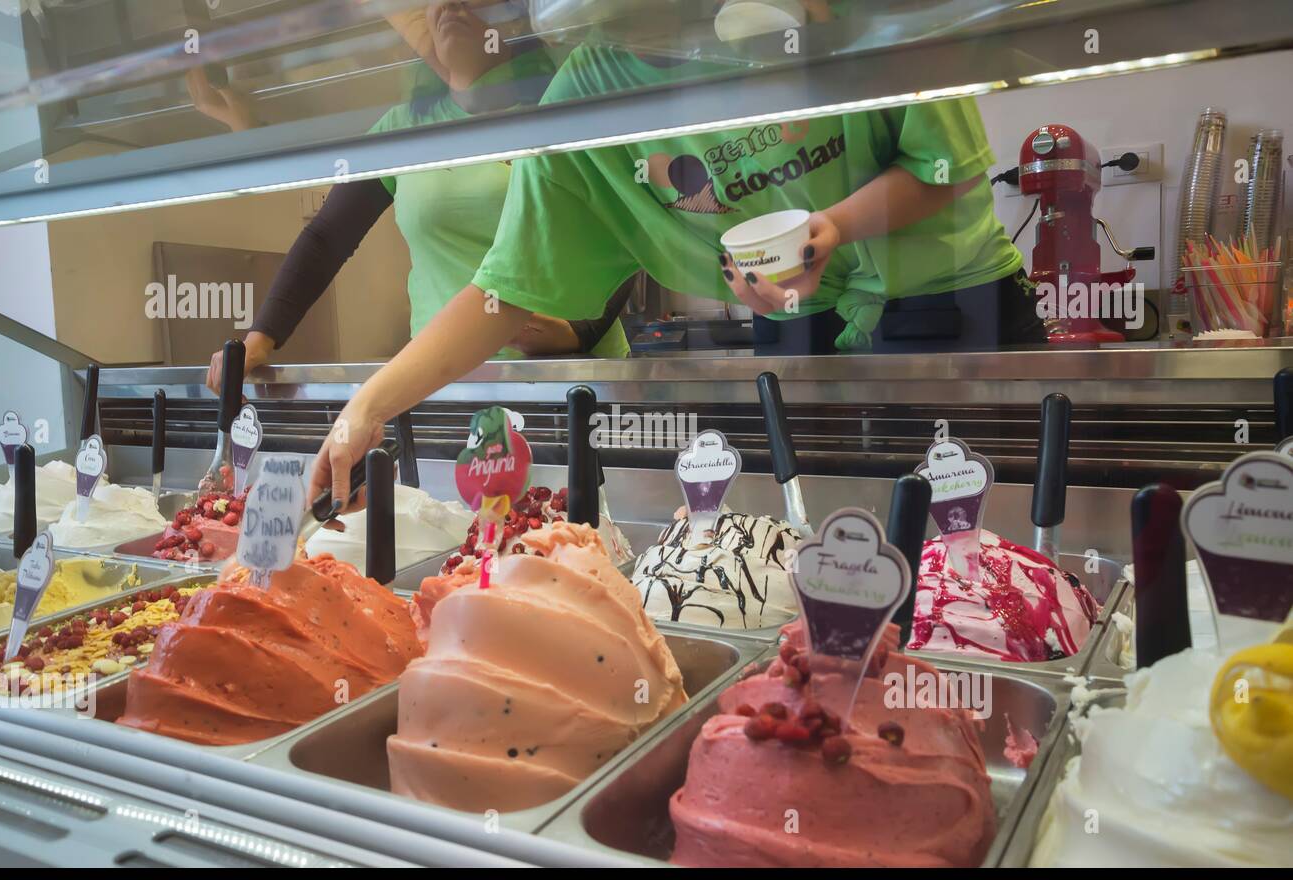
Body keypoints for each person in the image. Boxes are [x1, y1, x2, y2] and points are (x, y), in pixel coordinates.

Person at [308, 9, 1037, 507]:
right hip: (796, 328)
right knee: (832, 544)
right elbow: (506, 289)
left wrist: (830, 230)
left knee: (975, 552)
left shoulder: (818, 14)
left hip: (950, 308)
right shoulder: (590, 93)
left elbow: (950, 167)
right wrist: (367, 405)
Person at [202, 1, 628, 393]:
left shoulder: (564, 107)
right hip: (445, 378)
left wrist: (576, 331)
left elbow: (629, 229)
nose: (449, 4)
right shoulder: (405, 130)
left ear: (515, 15)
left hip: (568, 376)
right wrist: (259, 339)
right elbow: (326, 238)